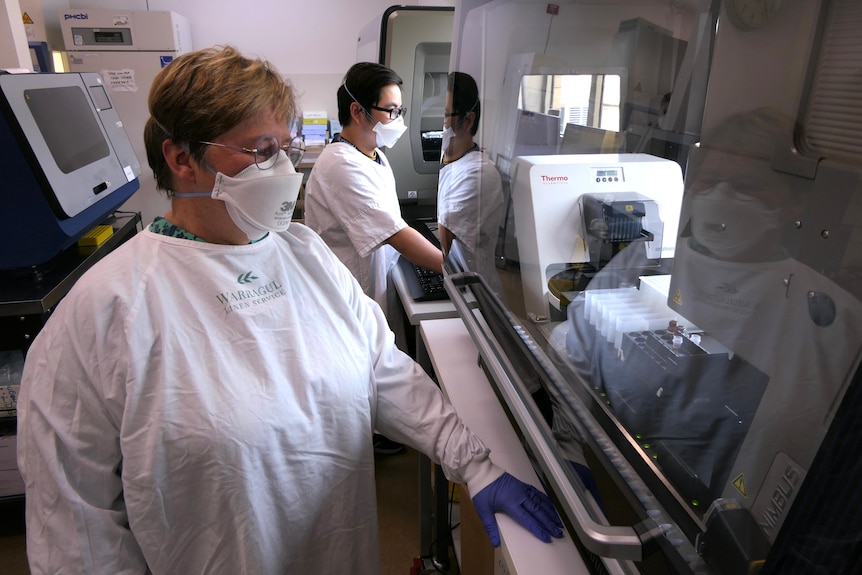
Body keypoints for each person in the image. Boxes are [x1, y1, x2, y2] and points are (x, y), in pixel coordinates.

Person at [16, 46, 563, 575]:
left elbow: (384, 372)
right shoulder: (103, 311)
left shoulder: (306, 257)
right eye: (260, 151)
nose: (284, 167)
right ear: (182, 158)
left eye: (287, 145)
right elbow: (75, 528)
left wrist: (475, 463)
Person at [304, 62, 443, 319]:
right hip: (352, 293)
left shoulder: (373, 153)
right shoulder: (341, 165)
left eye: (400, 111)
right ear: (357, 111)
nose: (398, 121)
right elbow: (396, 234)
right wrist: (453, 269)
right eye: (391, 111)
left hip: (375, 278)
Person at [437, 71, 505, 296]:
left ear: (468, 120)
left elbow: (444, 247)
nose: (440, 123)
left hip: (476, 294)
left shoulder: (478, 173)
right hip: (456, 282)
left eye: (445, 115)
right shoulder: (450, 158)